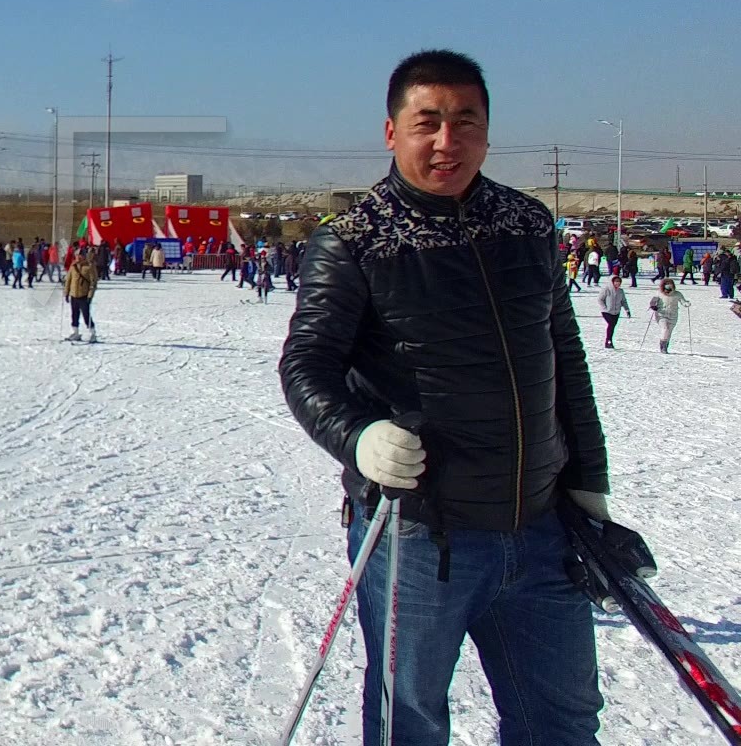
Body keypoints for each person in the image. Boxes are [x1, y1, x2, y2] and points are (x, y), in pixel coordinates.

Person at [279, 50, 610, 745]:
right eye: (427, 121)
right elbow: (307, 365)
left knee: (563, 722)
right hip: (419, 535)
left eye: (467, 122)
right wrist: (359, 436)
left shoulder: (527, 225)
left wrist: (589, 483)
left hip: (541, 528)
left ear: (487, 132)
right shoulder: (354, 239)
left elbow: (565, 362)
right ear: (392, 131)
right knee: (412, 726)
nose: (447, 141)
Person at [64, 246, 97, 342]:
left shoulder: (89, 266)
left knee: (86, 315)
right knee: (74, 314)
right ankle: (76, 332)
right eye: (77, 255)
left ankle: (92, 333)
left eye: (80, 255)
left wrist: (90, 295)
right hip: (74, 294)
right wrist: (66, 292)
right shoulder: (73, 266)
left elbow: (93, 282)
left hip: (84, 295)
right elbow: (68, 280)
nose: (78, 257)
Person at [650, 278, 690, 354]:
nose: (668, 286)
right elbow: (653, 301)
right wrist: (653, 305)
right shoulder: (659, 293)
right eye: (666, 284)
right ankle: (663, 347)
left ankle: (665, 345)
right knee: (665, 329)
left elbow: (683, 301)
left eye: (670, 284)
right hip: (661, 315)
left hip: (673, 316)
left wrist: (686, 304)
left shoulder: (677, 294)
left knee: (669, 332)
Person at [598, 273, 627, 348]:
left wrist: (627, 310)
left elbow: (623, 301)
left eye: (619, 281)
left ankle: (609, 341)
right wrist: (605, 308)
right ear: (612, 282)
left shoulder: (621, 291)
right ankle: (608, 341)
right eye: (616, 281)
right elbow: (600, 299)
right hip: (607, 312)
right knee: (611, 325)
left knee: (612, 326)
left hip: (616, 312)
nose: (617, 283)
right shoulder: (606, 289)